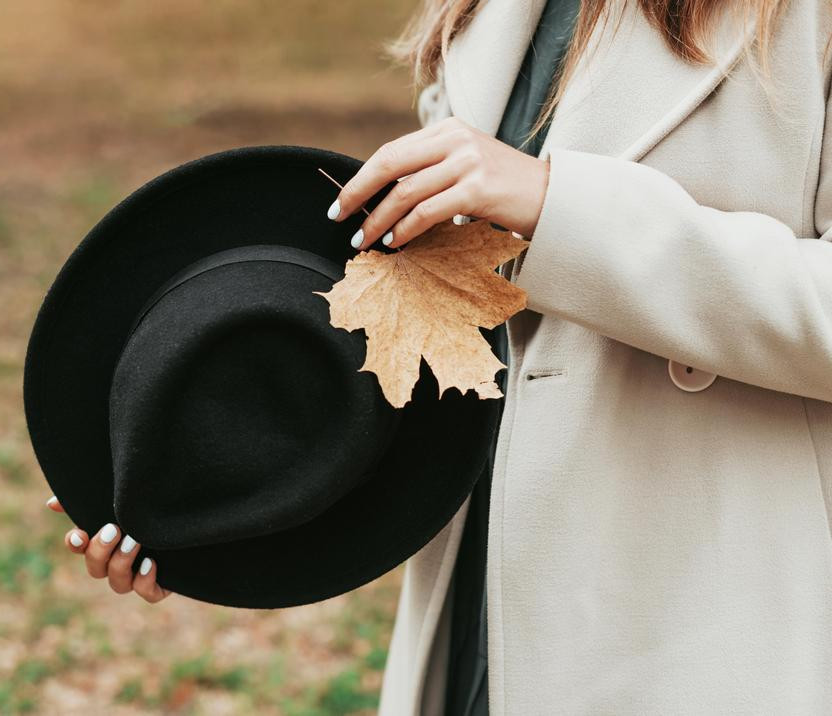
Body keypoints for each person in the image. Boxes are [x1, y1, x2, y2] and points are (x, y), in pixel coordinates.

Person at [46, 0, 832, 712]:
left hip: (698, 589)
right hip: (482, 579)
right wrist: (197, 475)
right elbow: (442, 305)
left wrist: (557, 208)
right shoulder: (486, 12)